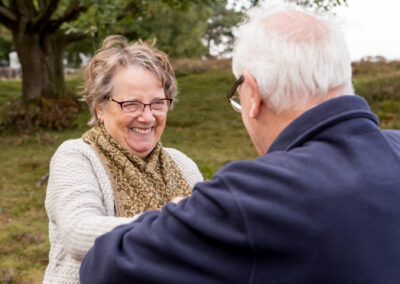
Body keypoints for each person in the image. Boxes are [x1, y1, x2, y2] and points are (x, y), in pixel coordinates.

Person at [80, 2, 400, 283]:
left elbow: (105, 265)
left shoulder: (253, 196)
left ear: (253, 95)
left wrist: (173, 215)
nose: (147, 116)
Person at [43, 35, 203, 283]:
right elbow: (78, 233)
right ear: (100, 108)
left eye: (158, 103)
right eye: (132, 104)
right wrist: (172, 224)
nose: (148, 117)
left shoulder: (183, 165)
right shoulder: (76, 157)